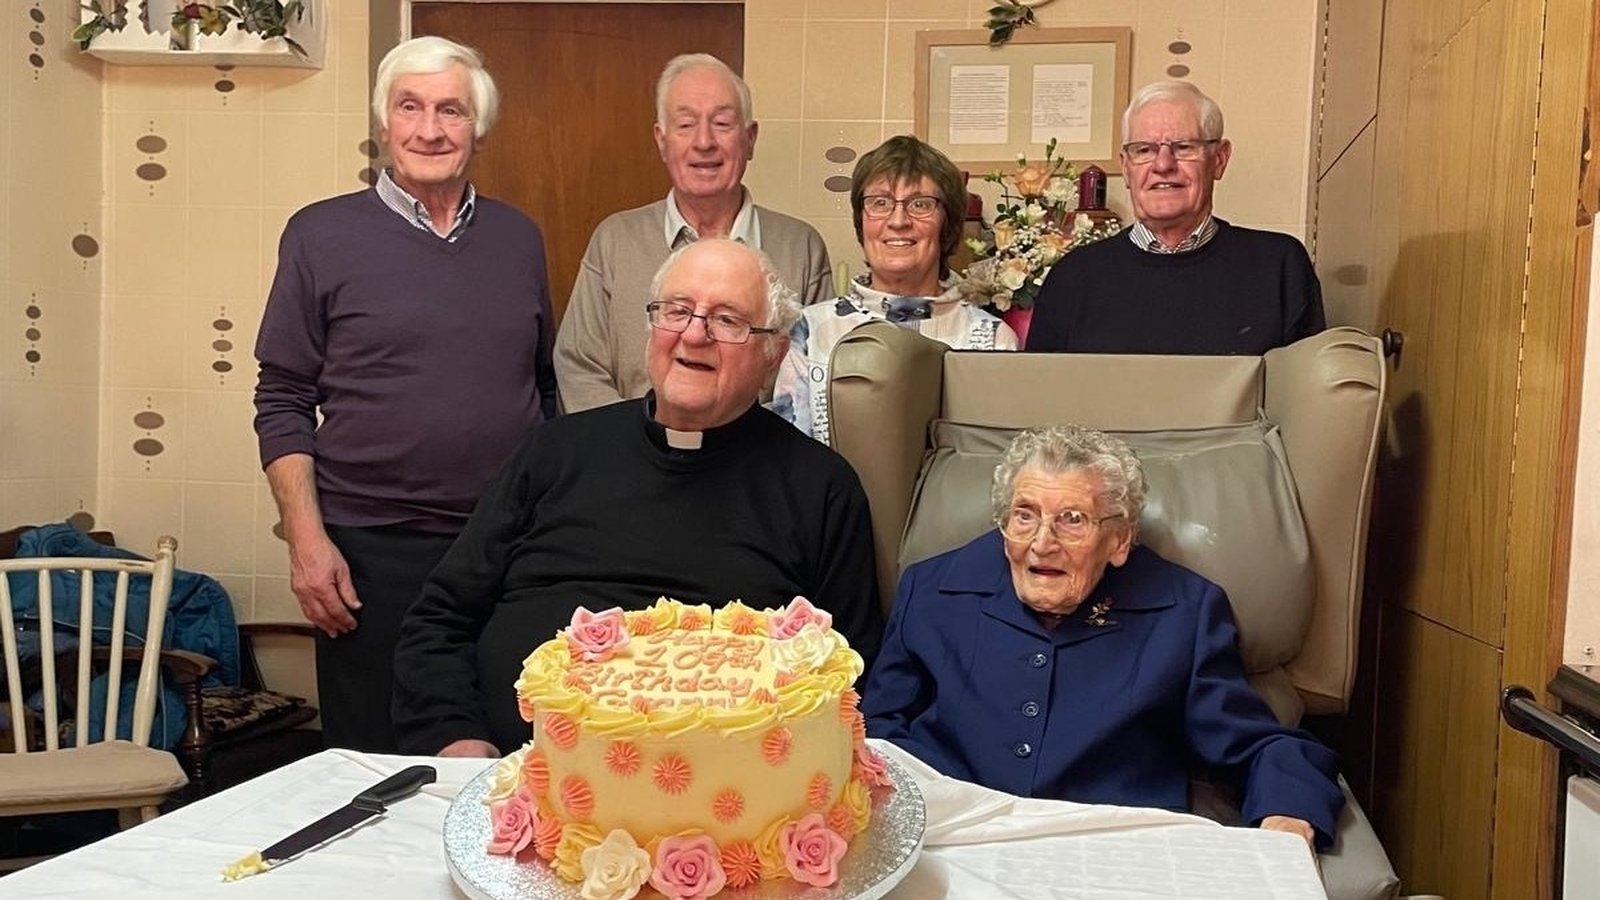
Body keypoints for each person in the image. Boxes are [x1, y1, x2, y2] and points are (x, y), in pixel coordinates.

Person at [393, 239, 884, 758]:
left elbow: (849, 670)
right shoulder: (555, 451)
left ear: (773, 355)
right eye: (677, 311)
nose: (694, 335)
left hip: (721, 803)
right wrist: (455, 736)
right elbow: (441, 618)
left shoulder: (822, 487)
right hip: (505, 779)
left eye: (728, 320)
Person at [252, 36, 557, 752]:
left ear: (477, 126)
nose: (429, 129)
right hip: (367, 556)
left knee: (503, 766)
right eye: (410, 107)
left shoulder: (520, 238)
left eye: (450, 109)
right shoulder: (319, 234)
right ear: (384, 122)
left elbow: (542, 390)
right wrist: (307, 541)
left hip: (501, 550)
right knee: (379, 773)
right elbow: (283, 397)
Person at [861, 424, 1344, 852]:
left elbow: (1256, 744)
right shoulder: (931, 590)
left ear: (1119, 541)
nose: (1042, 542)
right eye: (1024, 514)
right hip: (956, 841)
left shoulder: (1184, 612)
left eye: (1072, 519)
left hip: (1109, 851)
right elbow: (877, 731)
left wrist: (1287, 814)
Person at [554, 53, 833, 412]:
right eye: (686, 124)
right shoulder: (614, 241)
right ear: (662, 140)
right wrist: (630, 455)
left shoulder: (801, 248)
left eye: (722, 123)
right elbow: (579, 367)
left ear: (750, 139)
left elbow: (814, 383)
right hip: (630, 460)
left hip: (755, 462)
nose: (704, 142)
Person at [1026, 81, 1325, 355]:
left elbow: (1307, 401)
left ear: (1219, 160)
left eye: (1184, 147)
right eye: (1143, 150)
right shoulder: (1073, 277)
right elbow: (1039, 403)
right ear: (1127, 168)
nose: (1163, 165)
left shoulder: (1280, 266)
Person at [773, 135, 1017, 444]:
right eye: (880, 203)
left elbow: (998, 464)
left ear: (948, 224)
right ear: (861, 221)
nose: (898, 220)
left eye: (920, 204)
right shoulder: (810, 332)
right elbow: (791, 460)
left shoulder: (993, 340)